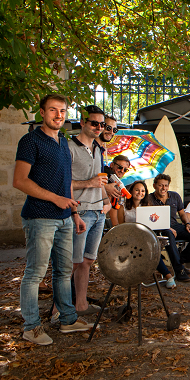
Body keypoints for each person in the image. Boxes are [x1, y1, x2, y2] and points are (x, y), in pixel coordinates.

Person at [13, 94, 93, 345]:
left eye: (62, 111)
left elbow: (65, 183)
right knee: (35, 273)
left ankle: (67, 319)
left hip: (64, 219)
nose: (59, 115)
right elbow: (20, 181)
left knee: (63, 271)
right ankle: (31, 327)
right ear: (42, 113)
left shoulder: (62, 142)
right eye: (53, 110)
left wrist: (74, 213)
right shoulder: (30, 141)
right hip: (39, 217)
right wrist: (55, 200)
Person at [69, 104, 111, 315]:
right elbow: (64, 183)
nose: (99, 127)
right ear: (82, 122)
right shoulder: (68, 147)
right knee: (72, 263)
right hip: (80, 211)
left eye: (102, 124)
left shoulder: (99, 149)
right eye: (94, 123)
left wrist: (106, 200)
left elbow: (100, 181)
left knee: (87, 261)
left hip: (98, 211)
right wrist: (89, 183)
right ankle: (60, 309)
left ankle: (81, 304)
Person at [118, 181, 177, 288]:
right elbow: (120, 227)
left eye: (143, 191)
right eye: (137, 190)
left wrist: (168, 227)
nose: (140, 193)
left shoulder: (147, 206)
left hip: (145, 236)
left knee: (151, 247)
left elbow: (155, 222)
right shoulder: (123, 207)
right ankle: (168, 275)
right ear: (131, 191)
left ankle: (168, 275)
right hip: (129, 237)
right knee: (150, 249)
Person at [149, 174, 190, 281]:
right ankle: (179, 270)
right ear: (154, 185)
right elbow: (149, 219)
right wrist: (166, 227)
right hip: (159, 228)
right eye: (161, 185)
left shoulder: (175, 196)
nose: (164, 188)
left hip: (175, 226)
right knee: (168, 233)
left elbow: (182, 214)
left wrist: (188, 224)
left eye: (166, 185)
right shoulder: (149, 199)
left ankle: (180, 260)